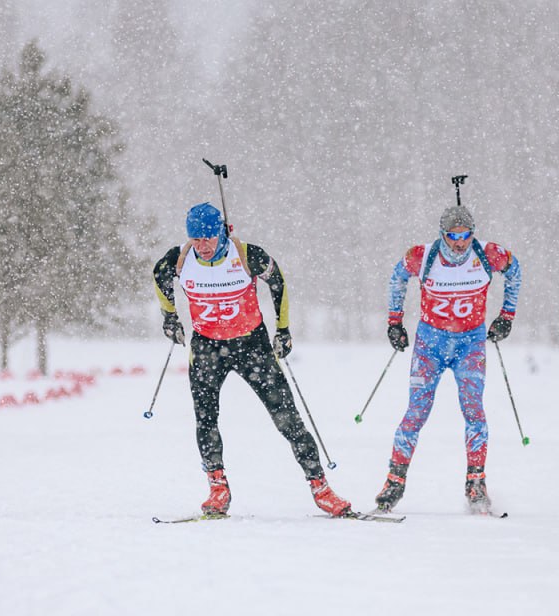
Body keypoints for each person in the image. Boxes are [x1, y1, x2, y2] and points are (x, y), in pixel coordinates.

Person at [152, 202, 353, 518]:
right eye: (196, 239)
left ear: (221, 232)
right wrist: (170, 317)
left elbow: (279, 282)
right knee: (206, 419)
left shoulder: (246, 255)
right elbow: (158, 277)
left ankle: (321, 488)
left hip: (251, 346)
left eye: (208, 238)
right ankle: (218, 489)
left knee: (287, 418)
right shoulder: (179, 259)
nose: (202, 246)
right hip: (206, 348)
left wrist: (283, 329)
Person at [375, 203, 522, 515]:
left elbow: (515, 270)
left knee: (474, 410)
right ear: (442, 234)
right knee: (416, 412)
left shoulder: (488, 254)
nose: (460, 242)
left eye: (466, 235)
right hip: (430, 345)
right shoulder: (422, 255)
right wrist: (394, 322)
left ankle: (476, 483)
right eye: (453, 236)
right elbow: (397, 278)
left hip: (470, 344)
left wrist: (506, 316)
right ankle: (394, 483)